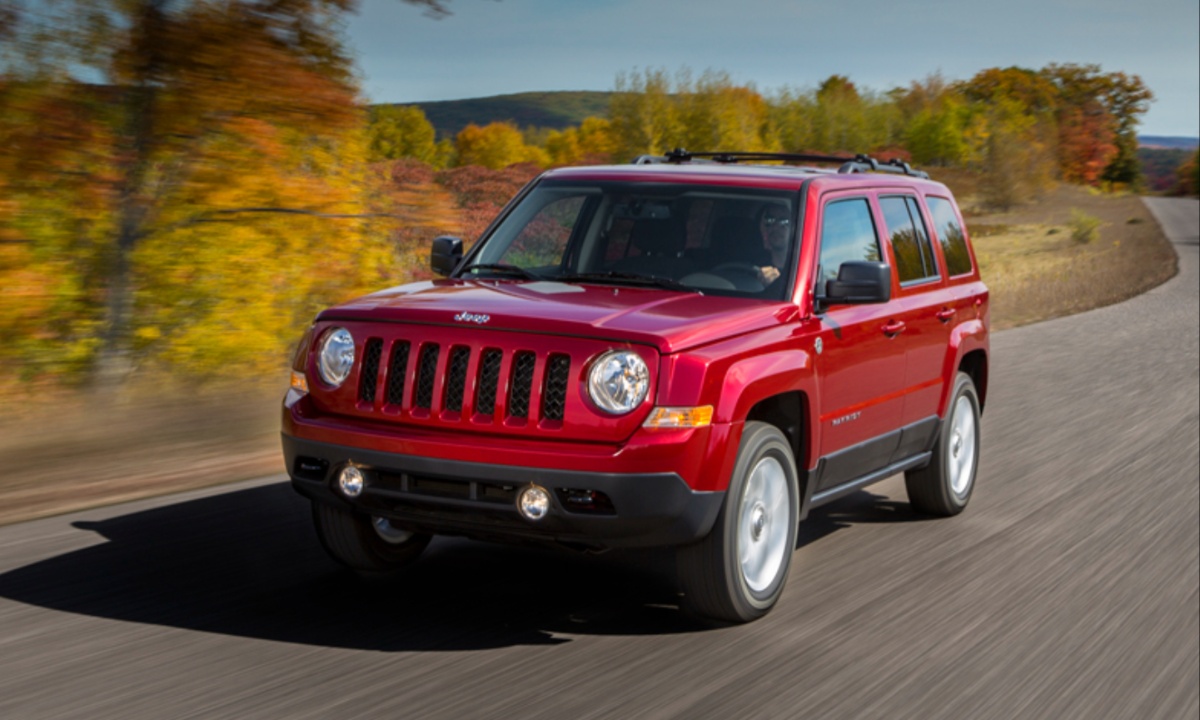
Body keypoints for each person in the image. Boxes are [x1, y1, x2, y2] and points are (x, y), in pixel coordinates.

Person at [756, 202, 791, 285]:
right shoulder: (754, 266)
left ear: (794, 228)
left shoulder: (800, 270)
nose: (775, 227)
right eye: (770, 220)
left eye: (784, 221)